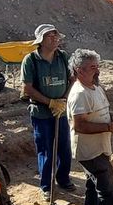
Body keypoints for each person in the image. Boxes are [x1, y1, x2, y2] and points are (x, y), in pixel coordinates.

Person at [66, 48, 113, 205]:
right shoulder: (80, 94)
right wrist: (108, 126)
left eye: (97, 66)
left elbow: (98, 112)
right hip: (90, 150)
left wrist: (110, 116)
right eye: (92, 68)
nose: (97, 71)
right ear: (78, 70)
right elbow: (79, 124)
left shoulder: (95, 88)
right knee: (108, 190)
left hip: (99, 146)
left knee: (93, 186)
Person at [22, 24, 75, 194]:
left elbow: (72, 80)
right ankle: (46, 186)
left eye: (56, 36)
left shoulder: (63, 57)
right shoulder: (31, 60)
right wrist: (50, 102)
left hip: (61, 111)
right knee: (46, 150)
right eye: (50, 36)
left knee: (64, 147)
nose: (55, 39)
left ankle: (63, 179)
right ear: (41, 41)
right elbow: (27, 89)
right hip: (42, 113)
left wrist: (63, 100)